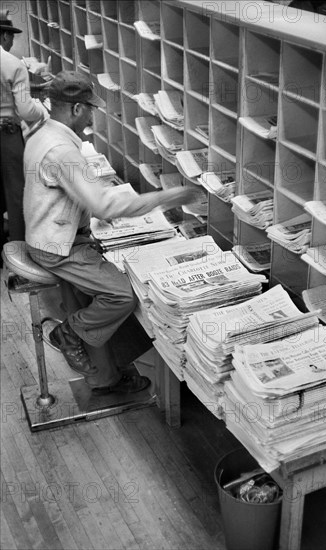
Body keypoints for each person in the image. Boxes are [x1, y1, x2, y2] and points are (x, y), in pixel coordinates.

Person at [23, 70, 200, 394]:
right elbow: (105, 207)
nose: (92, 114)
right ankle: (69, 334)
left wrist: (89, 205)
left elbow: (67, 194)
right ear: (76, 109)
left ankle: (106, 377)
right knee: (121, 294)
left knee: (104, 290)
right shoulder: (62, 150)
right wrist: (167, 197)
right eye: (90, 108)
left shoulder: (43, 133)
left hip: (51, 234)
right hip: (56, 246)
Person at [0, 10, 47, 253]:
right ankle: (18, 250)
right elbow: (27, 110)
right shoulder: (11, 63)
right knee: (17, 192)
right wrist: (44, 115)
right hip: (6, 135)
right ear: (5, 36)